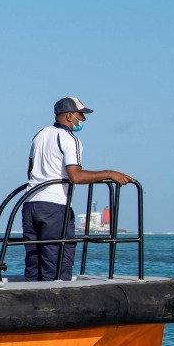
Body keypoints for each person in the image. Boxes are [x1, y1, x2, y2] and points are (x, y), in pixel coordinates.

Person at [24, 97, 134, 281]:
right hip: (55, 206)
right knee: (57, 259)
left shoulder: (40, 135)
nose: (83, 120)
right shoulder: (70, 139)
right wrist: (110, 173)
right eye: (81, 115)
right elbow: (75, 175)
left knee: (34, 260)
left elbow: (30, 170)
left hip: (31, 204)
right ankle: (55, 301)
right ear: (69, 116)